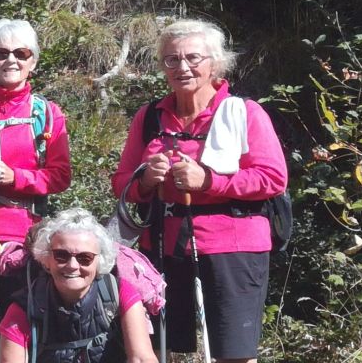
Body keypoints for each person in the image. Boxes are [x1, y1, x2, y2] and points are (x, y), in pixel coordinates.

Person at [112, 19, 286, 363]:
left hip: (233, 245)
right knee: (158, 349)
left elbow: (272, 178)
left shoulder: (244, 112)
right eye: (171, 60)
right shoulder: (149, 117)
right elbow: (122, 184)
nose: (183, 67)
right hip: (162, 245)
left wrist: (208, 182)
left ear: (215, 63)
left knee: (232, 353)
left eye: (193, 58)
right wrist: (146, 180)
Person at [0, 18, 75, 363]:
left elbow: (59, 176)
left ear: (33, 61)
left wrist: (14, 177)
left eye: (21, 53)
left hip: (24, 231)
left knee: (18, 322)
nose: (10, 60)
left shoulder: (45, 113)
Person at [0, 209, 158, 363]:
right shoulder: (25, 308)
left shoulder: (119, 292)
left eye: (85, 258)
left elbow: (142, 358)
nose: (72, 265)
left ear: (99, 261)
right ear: (46, 259)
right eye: (61, 255)